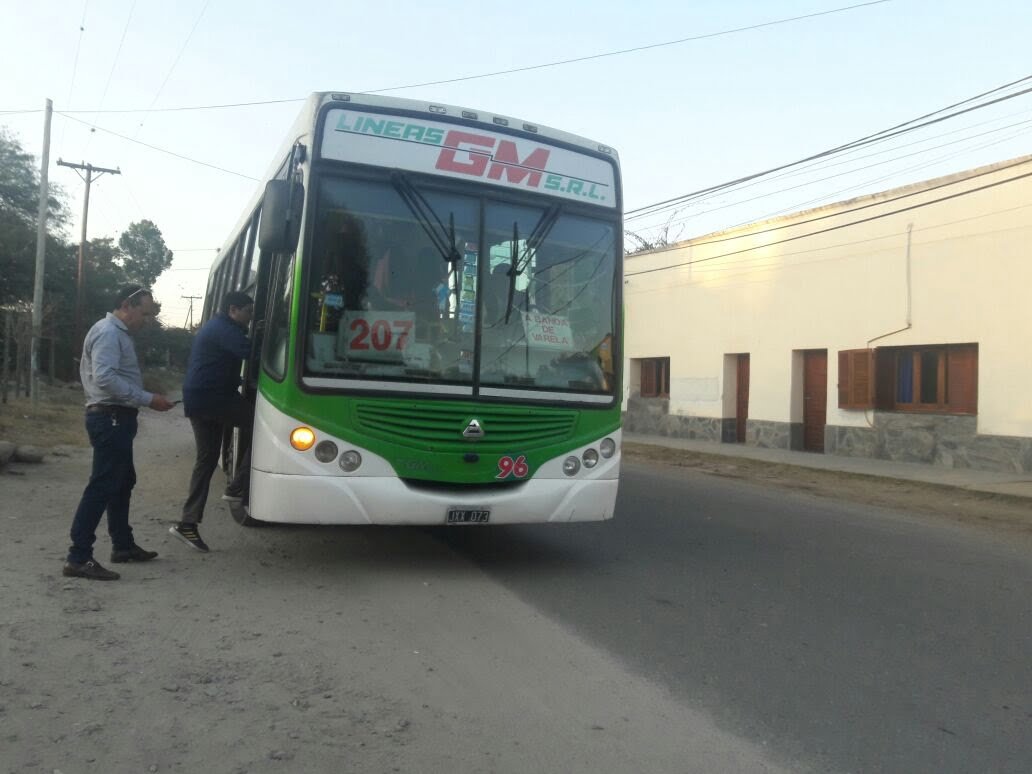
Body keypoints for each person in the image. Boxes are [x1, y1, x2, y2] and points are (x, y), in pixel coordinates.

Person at [64, 285, 176, 581]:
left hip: (117, 417)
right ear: (126, 305)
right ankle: (78, 557)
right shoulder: (109, 333)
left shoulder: (117, 334)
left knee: (122, 480)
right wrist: (147, 398)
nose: (146, 320)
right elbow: (104, 378)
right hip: (110, 417)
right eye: (145, 313)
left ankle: (123, 545)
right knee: (103, 484)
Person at [170, 291, 254, 552]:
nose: (250, 318)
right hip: (213, 399)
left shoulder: (218, 326)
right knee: (264, 426)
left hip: (203, 398)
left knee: (206, 460)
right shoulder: (225, 329)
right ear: (233, 310)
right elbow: (251, 352)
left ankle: (188, 524)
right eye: (248, 312)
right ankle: (237, 487)